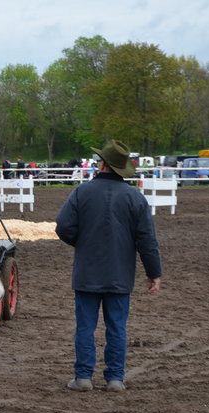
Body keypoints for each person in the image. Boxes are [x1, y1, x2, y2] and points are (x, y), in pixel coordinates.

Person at [55, 139, 162, 392]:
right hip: (120, 273)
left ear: (102, 164)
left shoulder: (81, 192)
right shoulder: (135, 198)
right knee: (117, 327)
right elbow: (147, 241)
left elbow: (63, 227)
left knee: (85, 327)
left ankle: (83, 377)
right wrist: (154, 272)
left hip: (87, 272)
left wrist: (82, 243)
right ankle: (115, 378)